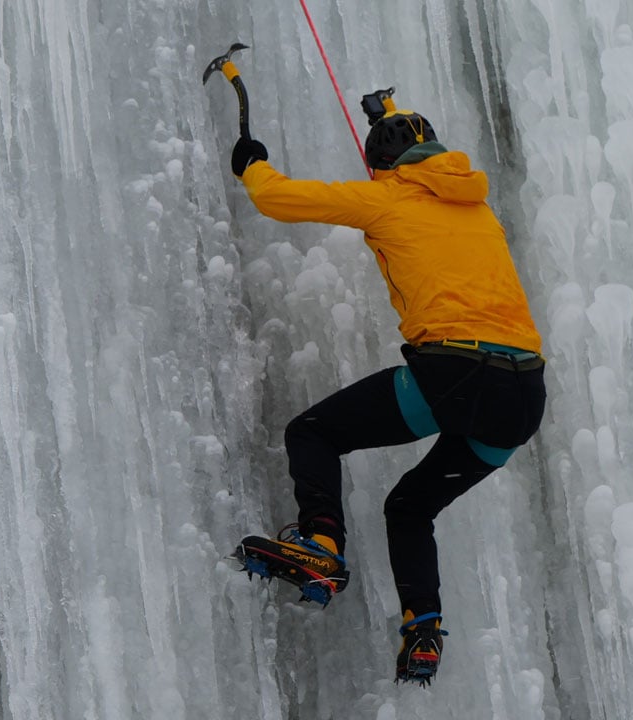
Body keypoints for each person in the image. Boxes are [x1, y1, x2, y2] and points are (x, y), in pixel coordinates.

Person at [228, 88, 546, 685]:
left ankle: (321, 546)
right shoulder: (477, 207)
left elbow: (277, 199)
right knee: (408, 507)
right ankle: (422, 629)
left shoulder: (388, 199)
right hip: (523, 396)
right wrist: (390, 111)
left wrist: (252, 162)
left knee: (314, 432)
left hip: (456, 373)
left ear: (383, 164)